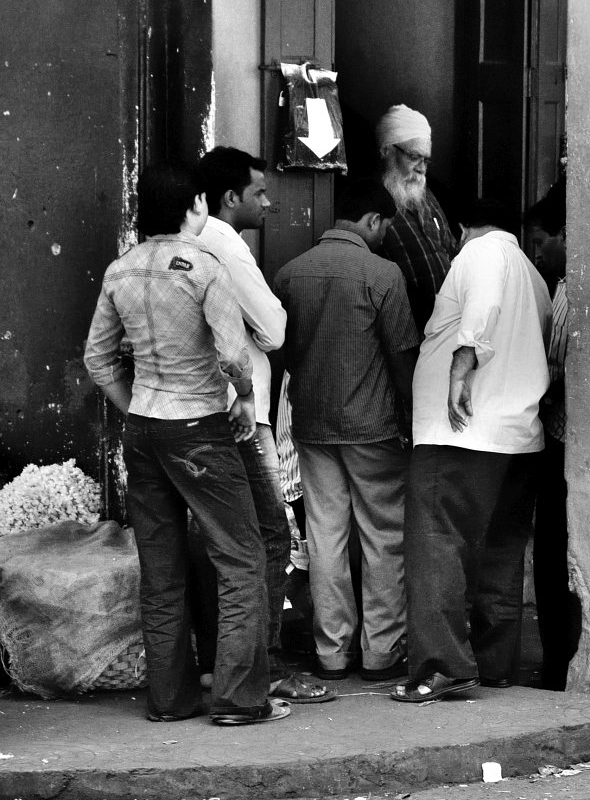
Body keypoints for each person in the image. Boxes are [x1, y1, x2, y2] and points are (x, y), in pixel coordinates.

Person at [84, 161, 288, 726]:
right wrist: (245, 398)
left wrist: (137, 406)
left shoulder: (120, 270)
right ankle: (239, 699)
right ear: (196, 202)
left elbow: (98, 359)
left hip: (145, 428)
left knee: (162, 568)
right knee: (241, 557)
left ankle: (169, 700)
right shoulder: (204, 266)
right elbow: (233, 354)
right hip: (199, 426)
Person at [394, 198, 552, 704]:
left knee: (436, 546)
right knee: (501, 553)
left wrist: (464, 360)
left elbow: (481, 305)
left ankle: (441, 666)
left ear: (462, 228)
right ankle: (493, 665)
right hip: (517, 435)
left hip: (461, 433)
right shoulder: (534, 276)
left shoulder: (480, 253)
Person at [195, 146, 332, 704]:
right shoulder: (224, 242)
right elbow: (273, 329)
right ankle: (265, 666)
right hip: (240, 412)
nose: (269, 203)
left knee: (216, 540)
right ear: (231, 198)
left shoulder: (181, 241)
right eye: (260, 192)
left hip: (189, 412)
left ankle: (219, 663)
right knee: (271, 534)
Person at [273, 179, 420, 683]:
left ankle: (332, 652)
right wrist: (411, 417)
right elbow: (402, 359)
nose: (384, 237)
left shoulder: (290, 273)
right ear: (373, 221)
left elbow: (280, 353)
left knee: (325, 536)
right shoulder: (383, 274)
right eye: (385, 229)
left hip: (312, 427)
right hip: (373, 428)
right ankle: (382, 653)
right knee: (383, 538)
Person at [525, 181, 582, 690]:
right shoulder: (561, 284)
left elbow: (561, 367)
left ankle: (561, 665)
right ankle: (556, 661)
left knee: (556, 554)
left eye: (543, 241)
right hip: (559, 437)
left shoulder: (576, 288)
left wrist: (536, 389)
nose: (538, 253)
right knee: (551, 554)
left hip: (567, 441)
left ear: (566, 234)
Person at [376, 104, 457, 331]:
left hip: (445, 329)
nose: (422, 168)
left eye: (426, 160)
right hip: (403, 333)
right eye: (414, 157)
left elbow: (450, 248)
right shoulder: (372, 200)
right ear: (387, 151)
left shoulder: (427, 195)